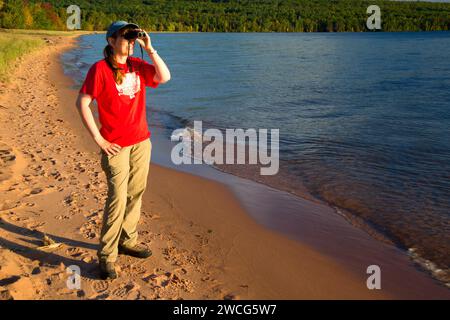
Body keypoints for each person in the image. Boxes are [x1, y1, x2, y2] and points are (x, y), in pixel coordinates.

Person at [75, 21, 171, 280]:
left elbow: (164, 77)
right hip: (115, 146)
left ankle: (127, 240)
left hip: (141, 142)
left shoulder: (137, 66)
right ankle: (107, 256)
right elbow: (82, 102)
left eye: (132, 37)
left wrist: (150, 49)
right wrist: (98, 139)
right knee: (117, 198)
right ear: (110, 40)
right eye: (125, 36)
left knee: (135, 193)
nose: (130, 41)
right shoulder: (100, 69)